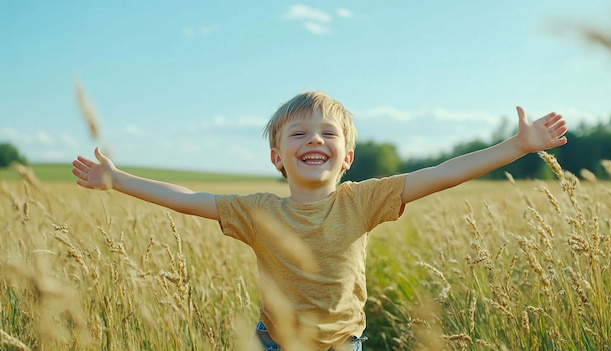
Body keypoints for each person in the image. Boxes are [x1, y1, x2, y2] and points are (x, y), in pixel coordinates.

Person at [72, 91, 567, 351]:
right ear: (277, 158)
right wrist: (119, 179)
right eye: (299, 133)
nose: (314, 140)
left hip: (342, 346)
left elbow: (441, 174)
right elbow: (187, 197)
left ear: (347, 156)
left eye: (327, 133)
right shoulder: (257, 211)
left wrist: (517, 146)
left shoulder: (363, 201)